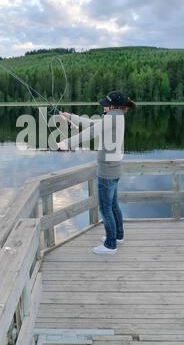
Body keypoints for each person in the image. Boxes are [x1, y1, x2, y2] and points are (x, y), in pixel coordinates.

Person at [57, 91, 136, 255]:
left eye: (105, 104)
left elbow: (91, 133)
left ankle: (110, 245)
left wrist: (67, 143)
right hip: (114, 170)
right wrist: (70, 116)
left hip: (107, 171)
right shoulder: (117, 115)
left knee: (106, 208)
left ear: (113, 106)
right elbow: (93, 125)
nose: (103, 107)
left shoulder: (112, 117)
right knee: (113, 206)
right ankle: (118, 236)